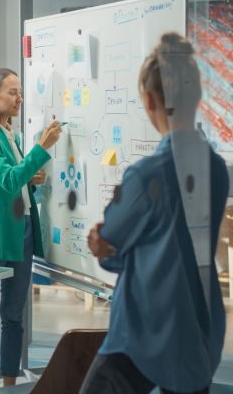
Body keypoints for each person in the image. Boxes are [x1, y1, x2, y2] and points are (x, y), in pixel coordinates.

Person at [81, 32, 228, 394]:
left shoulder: (145, 175)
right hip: (198, 327)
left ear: (149, 101)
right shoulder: (219, 169)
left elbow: (110, 241)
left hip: (143, 331)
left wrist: (102, 246)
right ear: (196, 97)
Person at [0, 67, 62, 386]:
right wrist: (41, 149)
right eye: (12, 92)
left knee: (14, 315)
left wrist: (31, 179)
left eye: (20, 92)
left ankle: (9, 384)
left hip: (23, 230)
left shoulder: (12, 135)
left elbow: (17, 180)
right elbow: (6, 180)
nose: (19, 98)